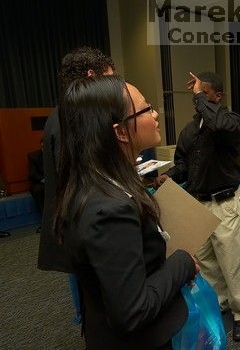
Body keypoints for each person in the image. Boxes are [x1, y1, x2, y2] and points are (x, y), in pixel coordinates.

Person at [54, 75, 199, 349]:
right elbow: (133, 311)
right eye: (146, 108)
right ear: (120, 132)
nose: (156, 114)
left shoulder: (95, 182)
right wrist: (183, 262)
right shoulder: (110, 210)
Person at [154, 71, 240, 342]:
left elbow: (219, 124)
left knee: (232, 260)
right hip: (198, 203)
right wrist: (170, 175)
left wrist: (199, 98)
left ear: (218, 96)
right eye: (196, 96)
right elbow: (185, 166)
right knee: (207, 261)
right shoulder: (190, 130)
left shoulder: (230, 121)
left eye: (204, 94)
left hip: (225, 203)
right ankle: (221, 302)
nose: (197, 100)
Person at [38, 46, 115, 273]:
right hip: (79, 230)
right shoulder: (74, 117)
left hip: (77, 228)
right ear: (92, 76)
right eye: (109, 78)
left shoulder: (62, 112)